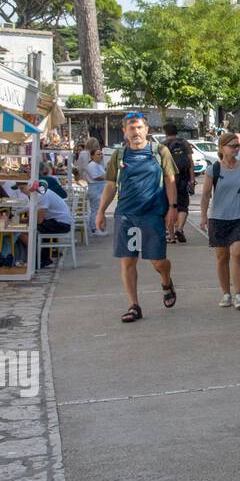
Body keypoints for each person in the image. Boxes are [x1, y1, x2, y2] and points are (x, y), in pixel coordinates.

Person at [95, 112, 179, 324]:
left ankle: (166, 281)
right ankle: (134, 305)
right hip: (126, 215)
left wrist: (172, 207)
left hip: (152, 214)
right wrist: (101, 211)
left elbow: (170, 180)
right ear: (125, 132)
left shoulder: (160, 151)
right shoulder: (119, 155)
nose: (136, 132)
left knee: (158, 261)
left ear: (147, 130)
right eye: (131, 129)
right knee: (128, 261)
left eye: (139, 128)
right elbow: (111, 185)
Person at [199, 132, 240, 310]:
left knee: (238, 254)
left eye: (238, 146)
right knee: (222, 257)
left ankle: (238, 294)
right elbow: (205, 195)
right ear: (222, 148)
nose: (236, 149)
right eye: (232, 146)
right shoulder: (214, 169)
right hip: (219, 217)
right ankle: (226, 293)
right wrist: (203, 216)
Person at [2, 179, 73, 269]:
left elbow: (39, 220)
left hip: (61, 224)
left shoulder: (41, 195)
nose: (21, 192)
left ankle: (36, 260)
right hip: (59, 221)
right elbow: (31, 210)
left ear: (29, 186)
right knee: (30, 229)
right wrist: (16, 215)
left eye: (22, 188)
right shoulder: (40, 191)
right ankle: (43, 259)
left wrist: (20, 221)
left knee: (23, 232)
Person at [162, 123, 195, 245]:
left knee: (169, 206)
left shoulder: (163, 145)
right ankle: (180, 228)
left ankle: (171, 236)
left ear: (165, 132)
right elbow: (190, 162)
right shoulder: (184, 143)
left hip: (168, 178)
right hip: (183, 177)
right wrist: (192, 179)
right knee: (183, 205)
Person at [81, 139, 108, 236]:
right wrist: (107, 176)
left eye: (101, 154)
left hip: (99, 189)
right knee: (95, 210)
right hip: (95, 189)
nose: (100, 156)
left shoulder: (97, 165)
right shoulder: (92, 165)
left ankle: (96, 228)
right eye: (98, 154)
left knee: (97, 209)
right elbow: (96, 177)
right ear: (92, 156)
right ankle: (95, 229)